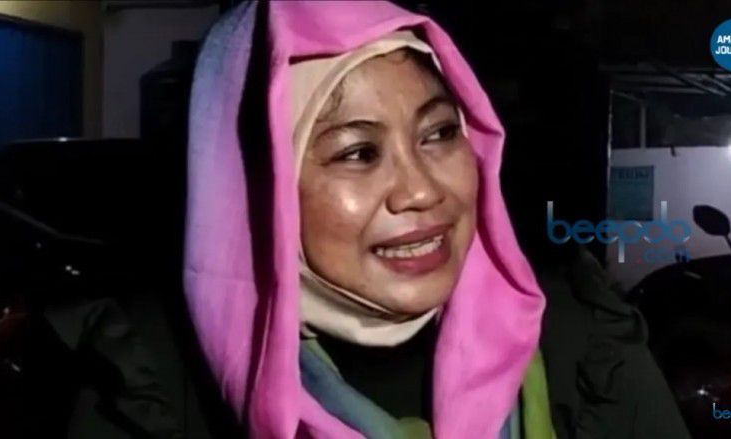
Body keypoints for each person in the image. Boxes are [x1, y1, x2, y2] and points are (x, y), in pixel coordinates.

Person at [183, 1, 690, 438]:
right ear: (253, 187)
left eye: (440, 133)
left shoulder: (586, 354)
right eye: (358, 153)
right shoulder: (164, 397)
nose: (422, 190)